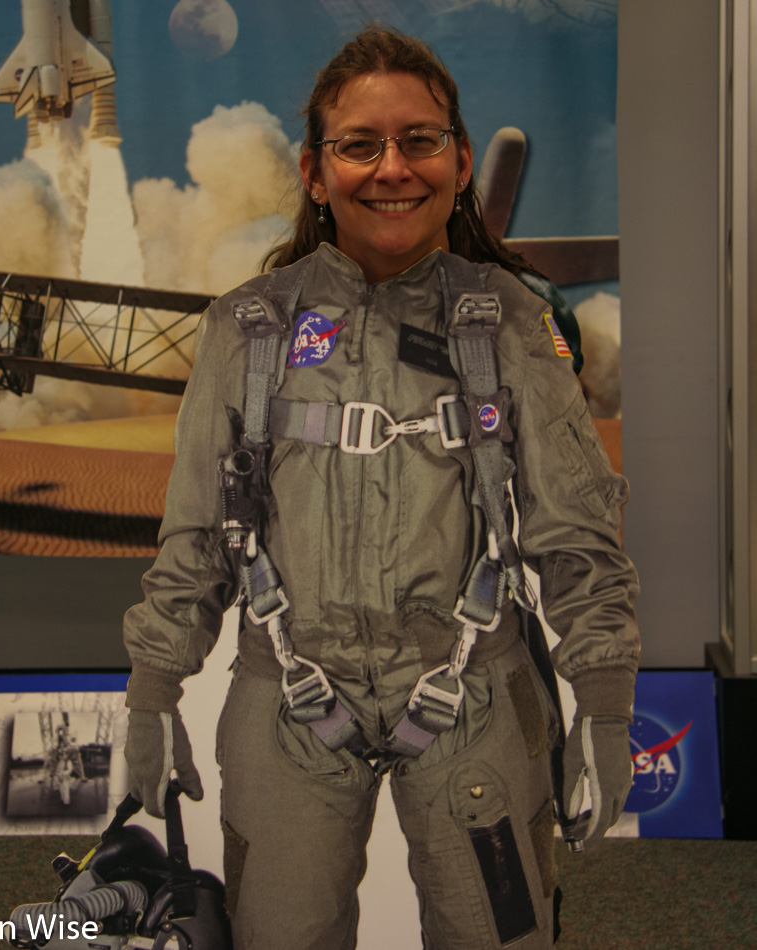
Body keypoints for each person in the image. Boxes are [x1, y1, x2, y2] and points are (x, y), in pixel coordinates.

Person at [123, 26, 639, 950]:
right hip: (288, 703)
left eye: (419, 140)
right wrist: (154, 689)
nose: (391, 167)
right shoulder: (248, 328)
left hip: (475, 697)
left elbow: (577, 532)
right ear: (315, 173)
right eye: (359, 144)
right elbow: (195, 534)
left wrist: (602, 702)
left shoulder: (511, 321)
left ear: (459, 161)